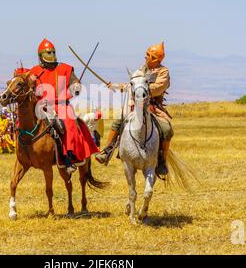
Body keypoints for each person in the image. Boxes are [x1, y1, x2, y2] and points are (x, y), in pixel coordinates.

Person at [95, 42, 174, 177]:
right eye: (147, 54)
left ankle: (161, 161)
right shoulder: (142, 69)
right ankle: (107, 151)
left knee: (167, 130)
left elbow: (159, 87)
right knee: (118, 122)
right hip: (137, 106)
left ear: (157, 59)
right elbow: (132, 83)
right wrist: (115, 86)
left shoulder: (163, 72)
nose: (147, 58)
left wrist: (141, 89)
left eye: (150, 56)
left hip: (154, 107)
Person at [29, 38, 99, 174]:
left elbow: (74, 81)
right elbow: (22, 79)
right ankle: (24, 151)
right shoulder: (35, 71)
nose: (50, 55)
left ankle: (68, 157)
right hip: (41, 105)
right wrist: (27, 79)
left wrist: (75, 86)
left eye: (52, 52)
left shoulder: (65, 68)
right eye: (47, 52)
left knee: (70, 124)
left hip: (61, 105)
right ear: (40, 56)